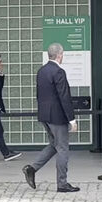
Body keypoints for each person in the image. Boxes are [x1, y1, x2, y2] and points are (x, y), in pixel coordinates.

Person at [22, 43, 79, 193]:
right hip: (57, 116)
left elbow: (39, 95)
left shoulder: (41, 71)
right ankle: (62, 183)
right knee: (62, 148)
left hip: (44, 115)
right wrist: (72, 119)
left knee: (54, 144)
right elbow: (64, 96)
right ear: (60, 55)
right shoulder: (59, 72)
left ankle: (32, 168)